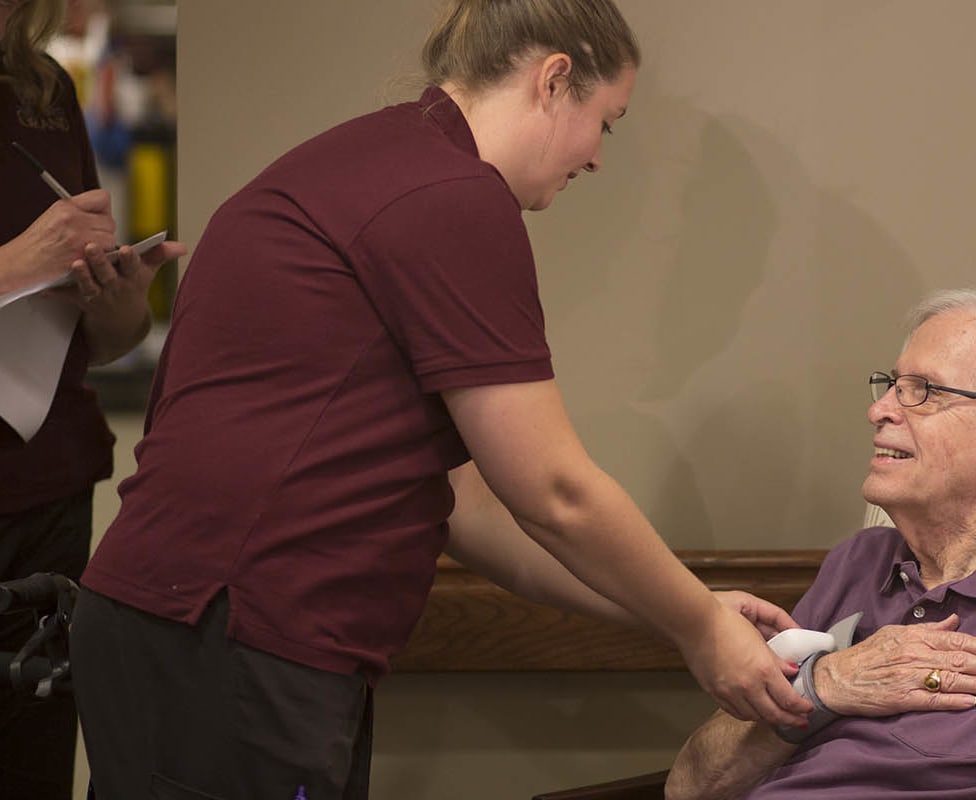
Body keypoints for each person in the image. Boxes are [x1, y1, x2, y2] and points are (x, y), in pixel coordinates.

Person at [68, 2, 825, 797]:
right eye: (608, 122)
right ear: (553, 79)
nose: (600, 157)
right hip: (230, 630)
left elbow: (473, 510)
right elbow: (555, 491)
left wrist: (684, 606)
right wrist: (701, 631)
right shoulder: (450, 195)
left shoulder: (381, 162)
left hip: (185, 626)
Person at [663, 288, 976, 800]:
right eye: (891, 385)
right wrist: (823, 685)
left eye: (922, 391)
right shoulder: (860, 560)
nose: (879, 410)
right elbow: (692, 786)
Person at [0, 0, 184, 796]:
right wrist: (12, 264)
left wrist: (114, 297)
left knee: (35, 762)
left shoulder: (40, 90)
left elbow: (103, 342)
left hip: (48, 491)